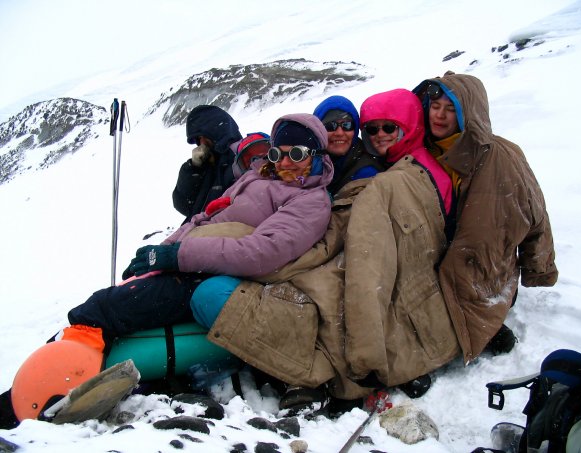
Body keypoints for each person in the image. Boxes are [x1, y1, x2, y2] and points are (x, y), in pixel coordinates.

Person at [3, 113, 334, 426]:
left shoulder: (310, 201)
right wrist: (160, 253)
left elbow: (261, 252)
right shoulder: (257, 177)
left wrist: (178, 257)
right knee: (103, 304)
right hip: (199, 264)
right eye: (277, 153)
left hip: (220, 276)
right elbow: (203, 218)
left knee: (105, 309)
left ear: (317, 154)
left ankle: (44, 400)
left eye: (297, 153)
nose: (284, 162)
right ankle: (33, 388)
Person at [196, 89, 458, 413]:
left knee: (323, 297)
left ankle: (313, 370)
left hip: (346, 254)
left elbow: (358, 234)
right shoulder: (305, 168)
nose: (339, 131)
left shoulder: (369, 172)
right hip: (307, 247)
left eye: (348, 124)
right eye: (330, 125)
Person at [412, 72, 558, 363]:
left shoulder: (502, 157)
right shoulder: (420, 151)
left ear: (470, 113)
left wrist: (538, 268)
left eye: (450, 109)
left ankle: (486, 320)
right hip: (437, 261)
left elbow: (535, 214)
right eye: (435, 106)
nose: (439, 115)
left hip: (486, 271)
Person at [172, 106, 269, 223]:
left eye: (204, 137)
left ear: (216, 132)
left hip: (223, 229)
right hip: (200, 228)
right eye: (198, 139)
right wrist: (193, 168)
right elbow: (183, 206)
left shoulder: (243, 159)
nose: (202, 143)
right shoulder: (206, 165)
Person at [313, 95, 386, 194]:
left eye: (347, 125)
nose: (339, 133)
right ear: (317, 130)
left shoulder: (367, 174)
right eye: (330, 126)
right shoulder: (306, 164)